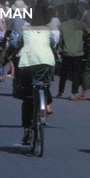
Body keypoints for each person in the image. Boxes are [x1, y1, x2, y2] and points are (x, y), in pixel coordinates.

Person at [14, 9, 59, 145]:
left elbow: (18, 45)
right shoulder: (47, 31)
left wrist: (11, 55)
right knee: (44, 84)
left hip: (29, 63)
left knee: (27, 98)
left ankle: (27, 129)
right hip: (47, 63)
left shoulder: (25, 30)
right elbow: (52, 46)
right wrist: (56, 56)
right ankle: (46, 103)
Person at [57, 4, 90, 99]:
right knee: (76, 73)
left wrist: (59, 51)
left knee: (63, 74)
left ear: (67, 14)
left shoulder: (63, 25)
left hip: (66, 52)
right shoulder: (81, 24)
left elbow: (61, 40)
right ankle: (74, 93)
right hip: (78, 52)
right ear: (78, 14)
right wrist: (85, 39)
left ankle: (60, 92)